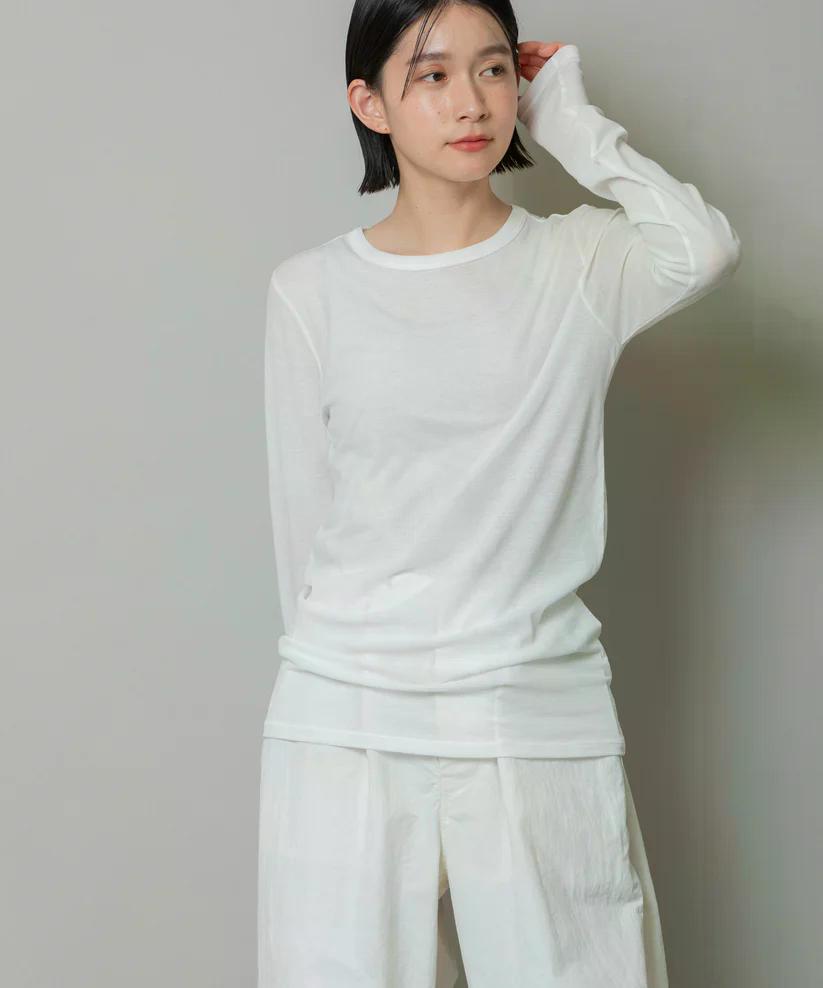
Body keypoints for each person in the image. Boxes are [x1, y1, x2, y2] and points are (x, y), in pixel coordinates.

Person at [257, 1, 742, 986]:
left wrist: (569, 115)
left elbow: (702, 249)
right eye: (431, 75)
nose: (471, 102)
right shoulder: (310, 291)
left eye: (491, 70)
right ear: (370, 104)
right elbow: (302, 529)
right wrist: (335, 681)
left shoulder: (579, 263)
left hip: (531, 709)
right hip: (348, 716)